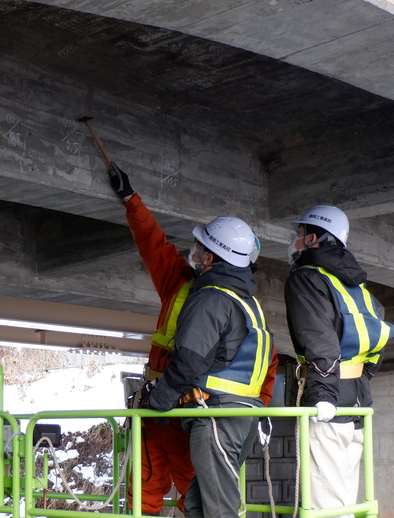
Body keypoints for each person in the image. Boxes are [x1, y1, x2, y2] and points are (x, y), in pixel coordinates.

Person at [108, 163, 277, 516]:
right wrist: (131, 200)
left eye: (200, 248)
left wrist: (246, 410)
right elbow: (153, 243)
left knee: (198, 500)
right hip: (160, 409)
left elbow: (263, 366)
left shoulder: (221, 300)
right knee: (145, 496)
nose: (193, 252)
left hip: (191, 412)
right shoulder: (194, 286)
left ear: (212, 257)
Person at [284, 205, 394, 517]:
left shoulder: (306, 277)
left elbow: (318, 338)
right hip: (357, 396)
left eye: (299, 234)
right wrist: (362, 377)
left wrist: (321, 393)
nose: (295, 240)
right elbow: (377, 332)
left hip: (329, 397)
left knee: (324, 498)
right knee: (344, 496)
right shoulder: (356, 284)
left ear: (313, 238)